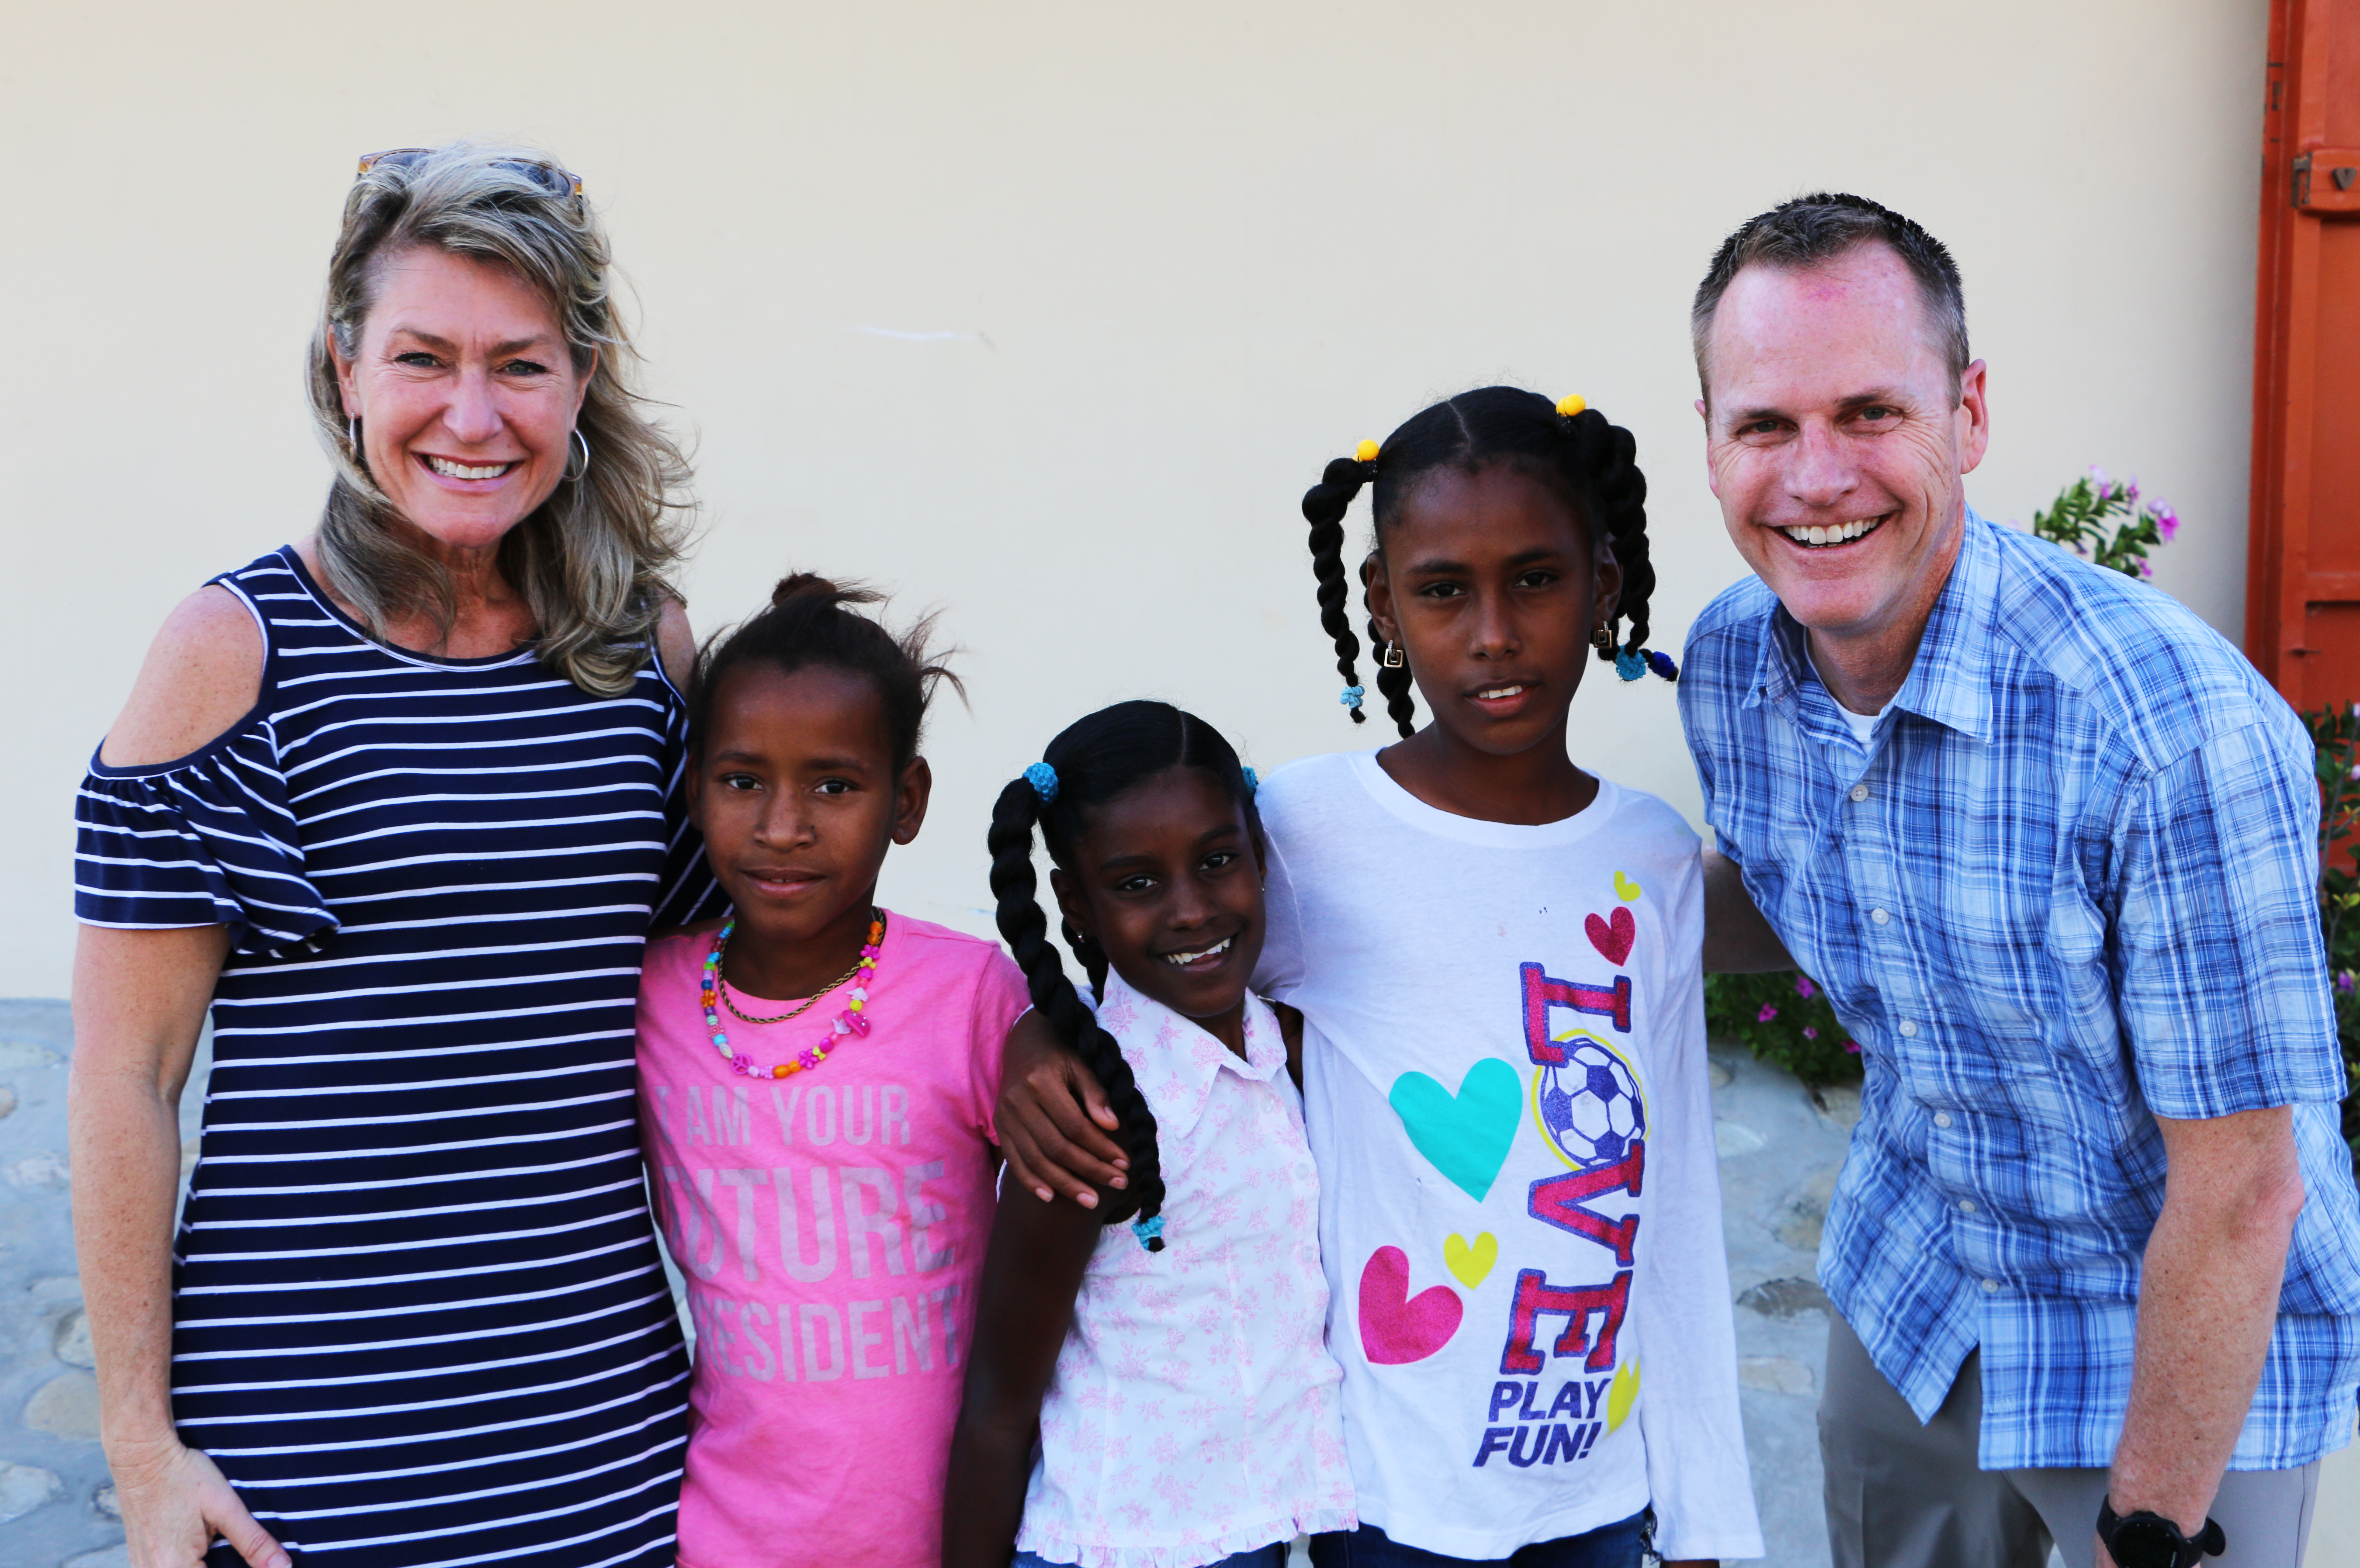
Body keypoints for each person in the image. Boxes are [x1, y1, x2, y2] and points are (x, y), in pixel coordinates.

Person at [1678, 192, 2360, 1568]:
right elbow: (1813, 894)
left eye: (1870, 413)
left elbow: (2241, 1193)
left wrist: (2151, 1528)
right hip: (1919, 1277)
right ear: (1711, 442)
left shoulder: (2173, 734)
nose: (1815, 478)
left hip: (2169, 1324)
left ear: (1969, 416)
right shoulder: (1735, 665)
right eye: (1765, 424)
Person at [69, 142, 711, 1568]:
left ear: (583, 376)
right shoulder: (229, 654)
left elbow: (702, 1020)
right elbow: (126, 1071)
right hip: (303, 1472)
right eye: (424, 356)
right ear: (343, 368)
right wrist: (142, 1452)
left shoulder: (644, 653)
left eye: (521, 365)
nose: (472, 416)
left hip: (605, 1455)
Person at [1000, 388, 1760, 1568]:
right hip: (1387, 1494)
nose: (1494, 632)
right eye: (1445, 590)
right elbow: (1152, 974)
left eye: (1538, 579)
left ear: (1605, 584)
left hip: (1603, 1489)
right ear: (1383, 608)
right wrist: (1033, 1041)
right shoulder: (1303, 830)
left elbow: (1674, 1201)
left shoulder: (1649, 857)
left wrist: (1705, 1516)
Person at [633, 574, 1030, 1568]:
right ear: (694, 790)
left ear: (908, 802)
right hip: (724, 1536)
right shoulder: (655, 998)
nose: (783, 827)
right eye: (741, 781)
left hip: (953, 1535)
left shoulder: (972, 993)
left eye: (835, 786)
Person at [944, 701, 1356, 1568]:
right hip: (1112, 1545)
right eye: (1136, 883)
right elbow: (998, 1405)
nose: (1191, 911)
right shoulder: (1090, 1120)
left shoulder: (1292, 1051)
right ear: (1077, 905)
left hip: (1255, 1537)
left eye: (1217, 863)